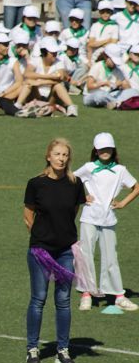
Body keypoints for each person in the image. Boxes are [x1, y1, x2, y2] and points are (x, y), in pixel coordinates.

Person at [24, 138, 87, 363]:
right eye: (57, 154)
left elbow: (73, 212)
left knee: (63, 300)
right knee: (38, 299)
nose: (61, 158)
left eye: (65, 155)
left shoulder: (75, 183)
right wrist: (42, 235)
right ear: (48, 156)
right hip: (41, 250)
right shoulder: (36, 184)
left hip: (65, 251)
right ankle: (32, 348)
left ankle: (63, 349)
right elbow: (28, 215)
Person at [74, 133, 139, 311]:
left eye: (108, 148)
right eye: (101, 148)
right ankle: (86, 294)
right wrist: (82, 197)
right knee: (85, 254)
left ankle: (118, 294)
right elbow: (71, 180)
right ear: (96, 150)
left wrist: (123, 203)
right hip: (89, 218)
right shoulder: (88, 167)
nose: (105, 151)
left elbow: (136, 187)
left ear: (113, 149)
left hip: (109, 219)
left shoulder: (120, 170)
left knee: (111, 256)